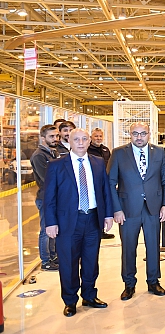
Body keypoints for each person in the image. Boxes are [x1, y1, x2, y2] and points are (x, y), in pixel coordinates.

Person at [43, 128, 114, 317]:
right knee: (68, 262)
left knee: (91, 261)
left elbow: (105, 191)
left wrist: (108, 215)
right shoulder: (57, 166)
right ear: (69, 141)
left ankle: (89, 296)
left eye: (84, 139)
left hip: (92, 219)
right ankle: (70, 300)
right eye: (76, 139)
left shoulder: (98, 162)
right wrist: (50, 222)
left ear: (89, 141)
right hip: (67, 222)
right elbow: (49, 197)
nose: (81, 142)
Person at [108, 122, 165, 300]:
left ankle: (153, 281)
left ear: (149, 134)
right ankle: (129, 284)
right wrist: (116, 209)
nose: (139, 137)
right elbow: (110, 183)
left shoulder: (159, 152)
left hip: (153, 208)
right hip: (127, 209)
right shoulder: (119, 153)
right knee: (129, 248)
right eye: (135, 133)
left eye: (143, 133)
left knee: (153, 246)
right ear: (129, 134)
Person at [31, 124, 60, 271]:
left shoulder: (53, 152)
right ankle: (45, 261)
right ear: (43, 138)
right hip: (45, 198)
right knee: (46, 230)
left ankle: (53, 256)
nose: (56, 139)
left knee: (54, 228)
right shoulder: (39, 156)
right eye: (52, 136)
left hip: (54, 197)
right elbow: (47, 178)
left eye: (57, 136)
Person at [87, 128, 115, 239]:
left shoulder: (105, 150)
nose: (98, 138)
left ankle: (102, 230)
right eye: (96, 136)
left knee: (103, 205)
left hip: (105, 181)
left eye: (100, 136)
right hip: (93, 183)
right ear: (91, 137)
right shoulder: (87, 150)